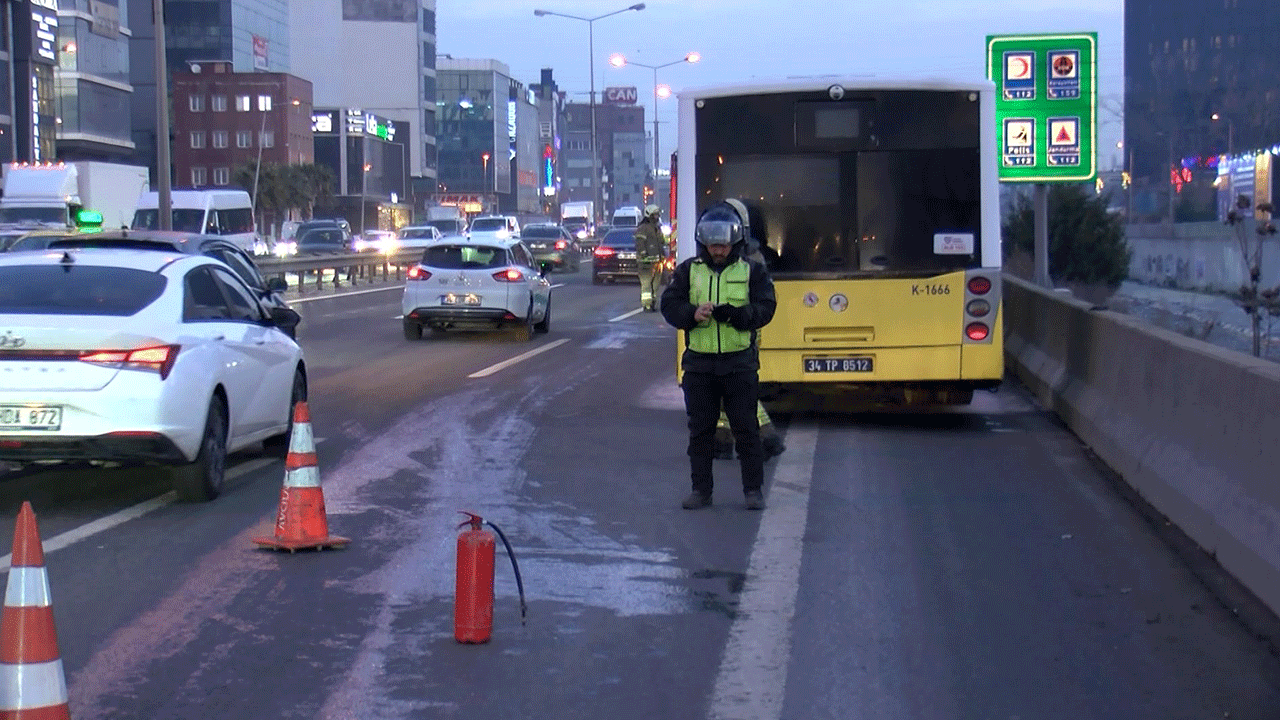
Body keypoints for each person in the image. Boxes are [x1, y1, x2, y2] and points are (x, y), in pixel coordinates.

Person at [661, 201, 777, 510]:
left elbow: (767, 307)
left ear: (735, 242)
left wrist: (740, 316)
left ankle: (753, 491)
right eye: (713, 245)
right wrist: (692, 313)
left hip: (739, 363)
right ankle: (701, 491)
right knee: (701, 433)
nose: (719, 251)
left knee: (746, 430)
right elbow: (669, 306)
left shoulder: (752, 270)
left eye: (724, 246)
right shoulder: (688, 270)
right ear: (704, 242)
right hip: (700, 364)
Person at [707, 199, 786, 461]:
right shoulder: (751, 252)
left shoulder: (743, 258)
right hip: (739, 327)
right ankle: (723, 440)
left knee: (735, 388)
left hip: (738, 328)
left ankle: (766, 438)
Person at [633, 204, 666, 312]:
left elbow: (661, 242)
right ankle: (647, 305)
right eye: (655, 215)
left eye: (658, 214)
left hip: (657, 262)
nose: (657, 216)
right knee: (646, 285)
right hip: (646, 263)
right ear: (649, 215)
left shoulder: (657, 228)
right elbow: (640, 243)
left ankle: (653, 303)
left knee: (655, 285)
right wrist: (643, 254)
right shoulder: (643, 228)